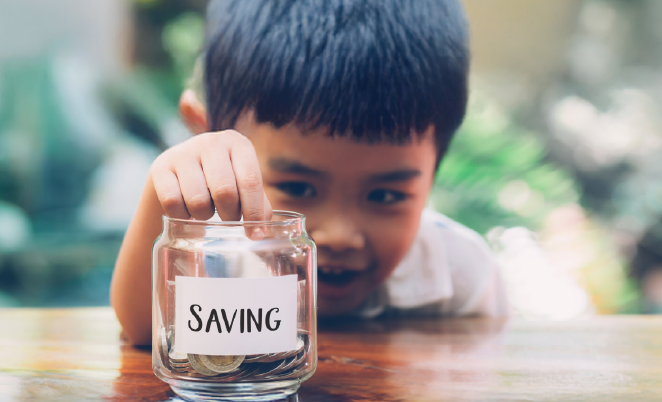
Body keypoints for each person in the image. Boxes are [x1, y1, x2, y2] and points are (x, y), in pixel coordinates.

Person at [111, 0, 509, 345]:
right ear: (207, 130)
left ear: (435, 166)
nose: (338, 235)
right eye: (298, 187)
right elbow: (145, 331)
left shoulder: (459, 274)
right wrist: (164, 203)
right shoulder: (212, 255)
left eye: (385, 195)